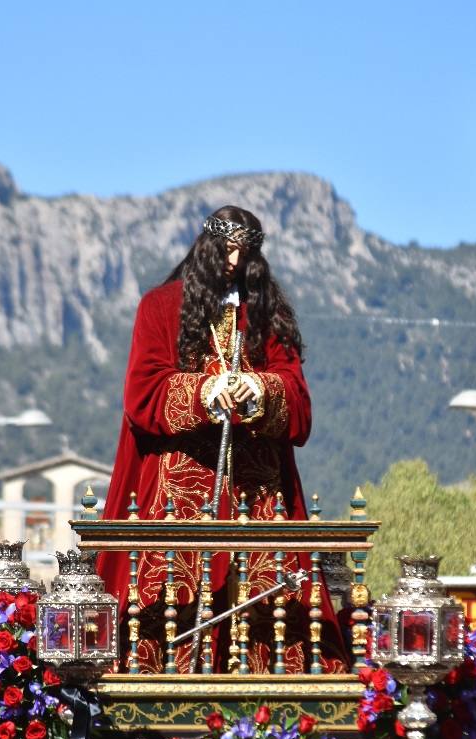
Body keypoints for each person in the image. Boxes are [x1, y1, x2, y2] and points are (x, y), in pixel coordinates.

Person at [98, 204, 346, 673]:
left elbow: (297, 399)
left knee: (271, 614)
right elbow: (142, 392)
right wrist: (204, 391)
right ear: (208, 248)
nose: (235, 262)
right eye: (228, 251)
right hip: (177, 492)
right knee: (167, 606)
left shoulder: (268, 314)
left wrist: (261, 389)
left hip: (258, 493)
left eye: (245, 254)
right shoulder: (160, 306)